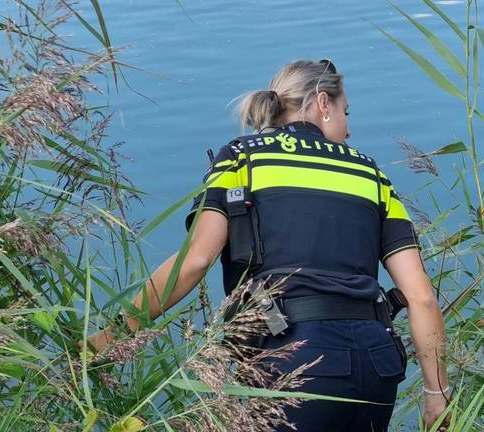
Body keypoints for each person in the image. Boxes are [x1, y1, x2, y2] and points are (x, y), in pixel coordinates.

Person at [85, 59, 450, 431]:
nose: (349, 129)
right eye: (346, 112)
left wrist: (113, 335)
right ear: (323, 104)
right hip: (377, 364)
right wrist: (437, 393)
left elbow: (194, 261)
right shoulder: (371, 174)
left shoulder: (242, 157)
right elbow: (420, 295)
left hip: (291, 360)